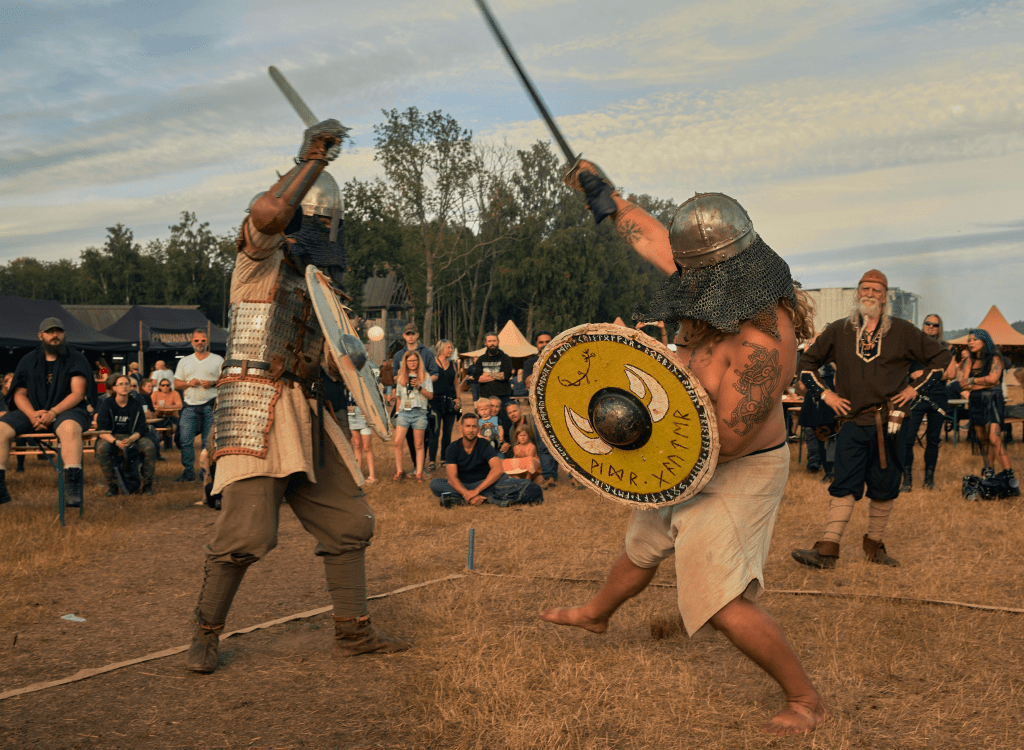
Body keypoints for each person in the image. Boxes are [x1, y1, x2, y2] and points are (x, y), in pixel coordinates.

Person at [540, 167, 828, 735]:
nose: (685, 278)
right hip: (691, 448)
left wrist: (644, 414)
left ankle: (804, 700)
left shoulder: (762, 343)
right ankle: (596, 614)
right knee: (645, 543)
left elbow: (727, 439)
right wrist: (605, 197)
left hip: (740, 467)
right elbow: (652, 236)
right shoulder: (715, 286)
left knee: (718, 601)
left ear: (729, 272)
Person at [185, 118, 407, 675]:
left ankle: (354, 632)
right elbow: (267, 214)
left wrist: (361, 366)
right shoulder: (256, 263)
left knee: (348, 522)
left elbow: (335, 360)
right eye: (318, 222)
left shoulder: (324, 288)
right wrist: (312, 161)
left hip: (309, 413)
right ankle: (205, 633)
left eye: (330, 225)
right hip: (256, 405)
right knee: (246, 533)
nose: (324, 231)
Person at [792, 270, 952, 570]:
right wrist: (826, 395)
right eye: (865, 288)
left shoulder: (903, 331)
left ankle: (874, 547)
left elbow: (941, 358)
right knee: (843, 483)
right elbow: (807, 363)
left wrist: (913, 389)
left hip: (891, 422)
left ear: (885, 297)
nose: (869, 294)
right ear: (857, 293)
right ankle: (827, 550)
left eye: (876, 290)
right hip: (852, 422)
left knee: (885, 484)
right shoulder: (838, 330)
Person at [0, 318, 94, 508]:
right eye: (50, 332)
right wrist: (32, 414)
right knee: (1, 428)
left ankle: (72, 488)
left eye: (58, 331)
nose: (54, 335)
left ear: (63, 334)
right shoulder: (28, 360)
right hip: (32, 411)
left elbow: (78, 392)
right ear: (40, 335)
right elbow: (19, 394)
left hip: (68, 410)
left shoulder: (75, 358)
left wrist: (53, 412)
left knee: (69, 428)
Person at [429, 413, 543, 508]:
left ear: (478, 429)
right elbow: (452, 478)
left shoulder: (484, 445)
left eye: (474, 427)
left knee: (531, 488)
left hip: (485, 484)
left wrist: (476, 491)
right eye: (467, 426)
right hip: (463, 485)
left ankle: (461, 499)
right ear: (461, 428)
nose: (471, 430)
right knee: (435, 483)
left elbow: (497, 469)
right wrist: (467, 493)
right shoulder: (452, 448)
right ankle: (487, 498)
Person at [901, 314, 958, 491]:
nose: (931, 326)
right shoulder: (912, 346)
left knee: (933, 440)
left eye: (935, 324)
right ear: (923, 325)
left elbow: (952, 374)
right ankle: (907, 481)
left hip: (938, 397)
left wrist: (925, 374)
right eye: (928, 323)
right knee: (908, 439)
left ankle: (929, 481)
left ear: (939, 328)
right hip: (915, 396)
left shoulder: (946, 348)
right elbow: (907, 371)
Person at [959, 329, 1018, 495]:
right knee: (983, 440)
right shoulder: (969, 361)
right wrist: (984, 384)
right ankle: (989, 474)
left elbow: (994, 379)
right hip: (976, 402)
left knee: (994, 438)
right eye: (969, 340)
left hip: (993, 401)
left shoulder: (995, 358)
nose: (970, 342)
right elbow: (963, 384)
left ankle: (1010, 479)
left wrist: (973, 382)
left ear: (984, 341)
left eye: (974, 339)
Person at [174, 330, 224, 482]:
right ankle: (188, 473)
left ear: (207, 342)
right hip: (189, 406)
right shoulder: (184, 361)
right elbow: (176, 384)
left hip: (211, 405)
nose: (200, 343)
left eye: (203, 340)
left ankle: (205, 473)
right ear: (192, 342)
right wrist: (188, 383)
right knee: (185, 441)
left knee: (207, 442)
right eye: (196, 340)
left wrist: (213, 383)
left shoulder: (217, 359)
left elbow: (226, 380)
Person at [95, 375, 157, 495]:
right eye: (121, 384)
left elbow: (141, 427)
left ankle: (147, 484)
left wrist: (132, 439)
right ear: (114, 388)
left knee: (149, 447)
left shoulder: (136, 404)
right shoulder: (107, 404)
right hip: (112, 437)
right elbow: (102, 430)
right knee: (102, 448)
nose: (124, 386)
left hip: (133, 436)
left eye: (126, 384)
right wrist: (116, 442)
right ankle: (112, 485)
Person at [392, 350, 432, 482]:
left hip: (419, 413)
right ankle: (399, 471)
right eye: (409, 361)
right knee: (397, 442)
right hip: (404, 412)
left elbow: (430, 396)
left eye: (415, 360)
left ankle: (419, 473)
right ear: (405, 362)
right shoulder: (401, 377)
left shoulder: (425, 376)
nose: (412, 363)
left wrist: (419, 387)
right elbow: (398, 398)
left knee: (419, 444)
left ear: (419, 361)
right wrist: (397, 414)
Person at [427, 339, 460, 472]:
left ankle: (444, 459)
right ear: (441, 348)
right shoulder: (432, 363)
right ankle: (431, 460)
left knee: (447, 432)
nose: (451, 350)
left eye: (451, 348)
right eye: (448, 348)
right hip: (435, 402)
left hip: (450, 402)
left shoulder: (453, 364)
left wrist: (458, 399)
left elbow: (456, 384)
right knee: (434, 431)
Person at [470, 333, 512, 410]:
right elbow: (477, 378)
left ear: (498, 342)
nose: (492, 343)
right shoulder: (481, 359)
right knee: (488, 418)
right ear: (485, 343)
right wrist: (498, 375)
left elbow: (506, 375)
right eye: (489, 341)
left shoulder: (505, 358)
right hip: (486, 398)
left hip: (503, 397)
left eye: (494, 341)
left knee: (503, 418)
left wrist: (488, 374)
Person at [151, 378, 182, 450]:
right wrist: (159, 407)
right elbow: (151, 405)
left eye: (167, 385)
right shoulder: (155, 393)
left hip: (172, 416)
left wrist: (169, 406)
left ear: (170, 386)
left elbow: (180, 405)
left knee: (171, 428)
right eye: (163, 385)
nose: (165, 387)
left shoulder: (175, 393)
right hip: (158, 416)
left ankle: (167, 444)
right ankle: (159, 441)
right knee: (157, 428)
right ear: (159, 386)